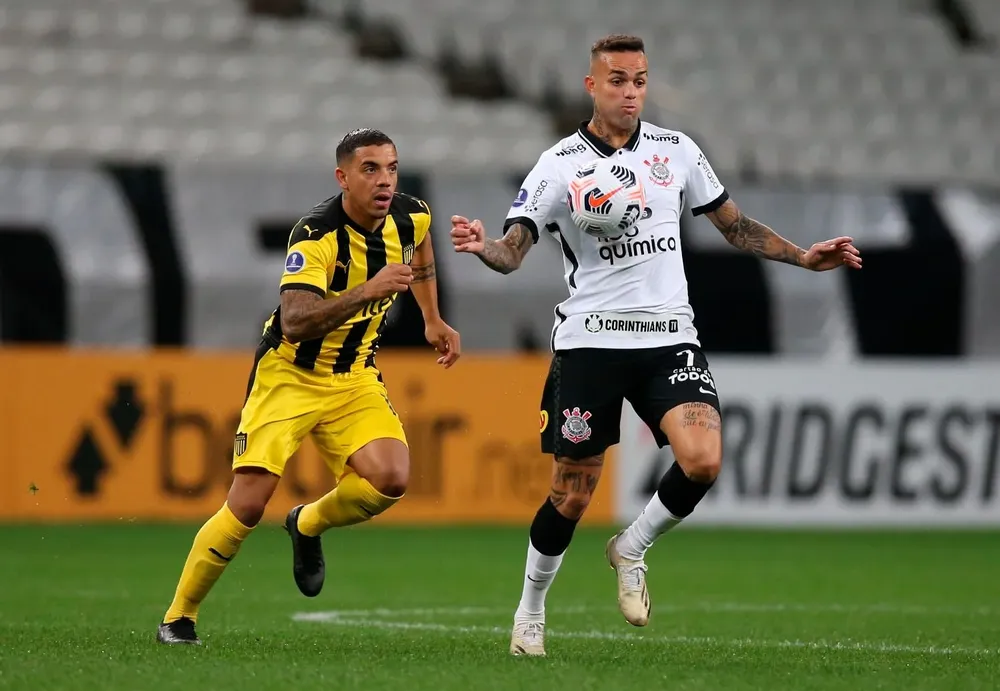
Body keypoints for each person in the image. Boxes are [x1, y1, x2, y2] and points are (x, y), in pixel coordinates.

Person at [450, 34, 861, 657]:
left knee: (703, 459)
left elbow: (735, 226)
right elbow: (514, 248)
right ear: (593, 86)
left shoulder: (678, 151)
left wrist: (803, 257)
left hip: (670, 337)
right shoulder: (559, 164)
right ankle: (530, 611)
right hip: (590, 341)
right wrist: (485, 247)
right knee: (573, 491)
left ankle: (631, 547)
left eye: (639, 80)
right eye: (617, 80)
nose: (630, 91)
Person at [157, 128, 461, 645]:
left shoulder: (412, 214)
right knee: (249, 504)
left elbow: (423, 245)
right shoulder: (315, 234)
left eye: (391, 168)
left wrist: (432, 317)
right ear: (342, 177)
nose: (384, 180)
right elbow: (295, 320)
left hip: (354, 375)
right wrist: (370, 289)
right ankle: (179, 617)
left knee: (390, 478)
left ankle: (306, 524)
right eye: (370, 169)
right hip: (290, 374)